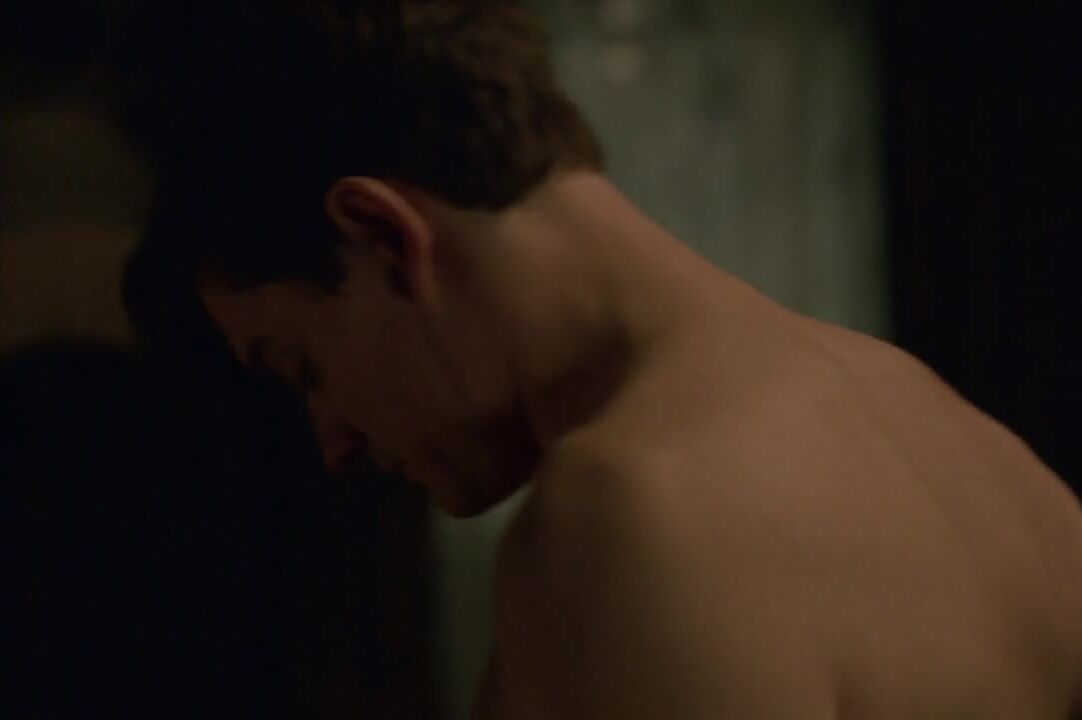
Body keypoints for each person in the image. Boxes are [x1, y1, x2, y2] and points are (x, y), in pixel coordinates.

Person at [113, 1, 1082, 717]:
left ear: (383, 235)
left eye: (301, 369)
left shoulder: (635, 510)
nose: (334, 445)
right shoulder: (992, 465)